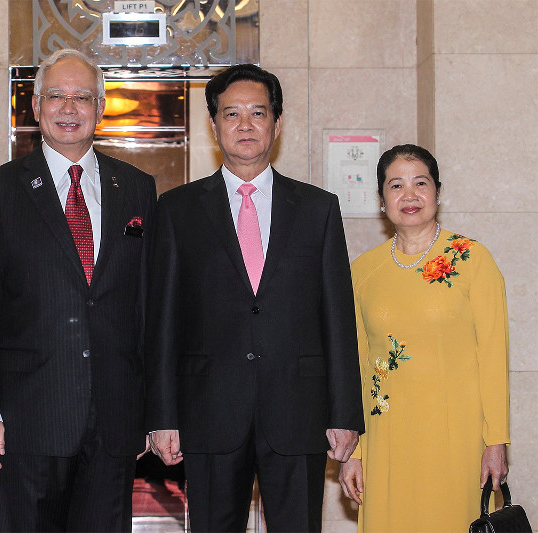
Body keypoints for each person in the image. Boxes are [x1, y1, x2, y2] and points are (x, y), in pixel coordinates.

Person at [144, 63, 364, 532]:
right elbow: (163, 320)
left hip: (298, 409)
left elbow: (338, 318)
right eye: (231, 113)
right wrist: (162, 415)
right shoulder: (177, 210)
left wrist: (345, 414)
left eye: (257, 113)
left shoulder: (318, 209)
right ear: (213, 123)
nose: (245, 125)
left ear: (277, 124)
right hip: (209, 411)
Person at [0, 48, 156, 532]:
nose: (68, 108)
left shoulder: (135, 187)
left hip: (114, 418)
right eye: (56, 96)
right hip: (29, 417)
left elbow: (147, 307)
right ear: (34, 105)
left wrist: (154, 410)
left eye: (82, 97)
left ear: (101, 107)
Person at [338, 144, 510, 532]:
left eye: (421, 183)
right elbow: (357, 365)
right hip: (387, 439)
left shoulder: (471, 259)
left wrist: (495, 440)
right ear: (381, 200)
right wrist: (355, 452)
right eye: (396, 185)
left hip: (457, 436)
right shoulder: (364, 271)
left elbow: (494, 356)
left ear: (437, 192)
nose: (409, 195)